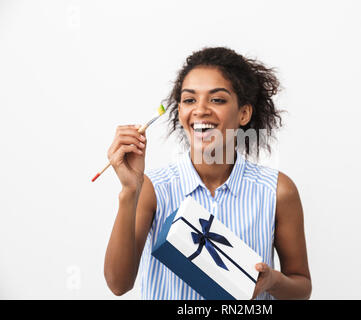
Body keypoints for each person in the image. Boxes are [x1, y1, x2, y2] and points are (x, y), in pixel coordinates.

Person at [103, 47, 312, 300]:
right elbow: (118, 284)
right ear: (180, 111)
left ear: (244, 113)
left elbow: (301, 288)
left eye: (217, 99)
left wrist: (272, 281)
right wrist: (129, 191)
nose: (200, 110)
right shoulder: (154, 189)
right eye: (190, 100)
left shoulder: (277, 190)